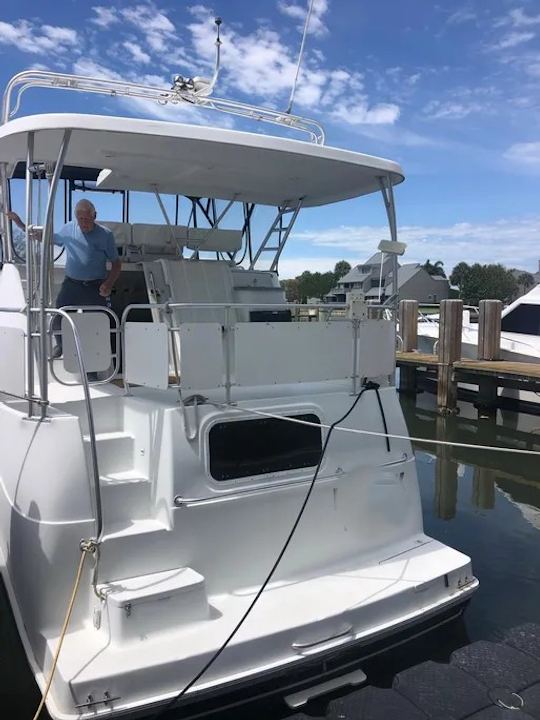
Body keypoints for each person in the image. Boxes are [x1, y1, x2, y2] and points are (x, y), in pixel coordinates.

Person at [6, 199, 121, 358]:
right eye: (81, 219)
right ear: (76, 217)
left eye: (87, 219)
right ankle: (61, 346)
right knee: (58, 315)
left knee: (99, 323)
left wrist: (108, 284)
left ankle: (97, 365)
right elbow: (43, 237)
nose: (84, 223)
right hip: (72, 285)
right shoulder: (68, 229)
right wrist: (19, 223)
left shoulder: (106, 235)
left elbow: (116, 264)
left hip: (95, 287)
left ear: (95, 216)